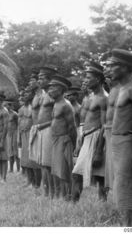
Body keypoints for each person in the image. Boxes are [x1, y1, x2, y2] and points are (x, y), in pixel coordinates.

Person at [108, 49, 132, 226]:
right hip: (119, 144)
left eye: (113, 65)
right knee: (125, 194)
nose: (109, 68)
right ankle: (128, 228)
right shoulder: (123, 88)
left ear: (125, 67)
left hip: (130, 144)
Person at [72, 61, 108, 203]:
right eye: (84, 77)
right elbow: (82, 121)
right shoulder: (88, 97)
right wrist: (79, 141)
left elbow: (105, 125)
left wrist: (99, 150)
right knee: (77, 173)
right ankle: (73, 204)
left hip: (97, 137)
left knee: (99, 175)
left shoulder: (104, 98)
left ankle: (101, 203)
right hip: (85, 137)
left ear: (98, 79)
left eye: (88, 78)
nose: (85, 80)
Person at [48, 75, 77, 200]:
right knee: (56, 169)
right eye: (49, 88)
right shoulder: (55, 104)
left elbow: (72, 127)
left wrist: (74, 145)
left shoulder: (66, 105)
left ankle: (68, 196)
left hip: (64, 140)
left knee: (64, 169)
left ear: (60, 89)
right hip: (55, 139)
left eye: (53, 88)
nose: (50, 90)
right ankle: (61, 194)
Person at [33, 66, 57, 198]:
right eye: (39, 78)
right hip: (41, 131)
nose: (39, 80)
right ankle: (46, 191)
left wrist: (45, 125)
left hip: (49, 130)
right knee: (43, 164)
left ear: (50, 79)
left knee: (49, 164)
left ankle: (53, 193)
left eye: (42, 78)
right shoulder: (43, 94)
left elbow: (57, 116)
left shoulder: (54, 95)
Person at [102, 60, 120, 191]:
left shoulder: (126, 89)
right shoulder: (112, 90)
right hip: (109, 133)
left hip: (120, 133)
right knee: (112, 170)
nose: (105, 70)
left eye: (109, 68)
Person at [4, 98, 20, 173]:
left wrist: (17, 135)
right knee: (10, 152)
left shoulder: (14, 114)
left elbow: (18, 125)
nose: (5, 107)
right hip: (8, 134)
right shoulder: (5, 115)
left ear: (10, 106)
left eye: (6, 105)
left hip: (15, 133)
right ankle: (11, 169)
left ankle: (18, 168)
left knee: (16, 152)